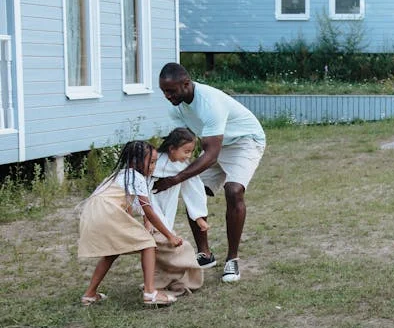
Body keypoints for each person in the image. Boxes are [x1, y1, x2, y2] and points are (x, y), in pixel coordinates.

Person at [155, 62, 266, 283]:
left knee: (234, 191)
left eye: (171, 91)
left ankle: (232, 260)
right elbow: (181, 142)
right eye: (164, 91)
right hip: (215, 145)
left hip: (244, 141)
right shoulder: (175, 106)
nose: (167, 96)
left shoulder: (209, 102)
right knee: (192, 190)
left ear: (186, 84)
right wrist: (154, 165)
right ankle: (204, 254)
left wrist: (176, 178)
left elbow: (211, 154)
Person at [78, 140, 182, 307]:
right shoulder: (136, 177)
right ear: (135, 161)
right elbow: (148, 210)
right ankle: (150, 292)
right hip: (107, 211)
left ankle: (89, 294)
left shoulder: (121, 176)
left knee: (112, 251)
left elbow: (133, 208)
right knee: (148, 244)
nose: (154, 166)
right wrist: (170, 236)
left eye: (156, 162)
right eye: (152, 162)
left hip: (94, 212)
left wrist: (146, 226)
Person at [147, 127, 208, 295]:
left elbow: (193, 188)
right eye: (186, 151)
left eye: (191, 152)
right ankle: (183, 278)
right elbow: (142, 189)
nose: (188, 156)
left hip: (168, 211)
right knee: (170, 246)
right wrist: (147, 218)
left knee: (162, 247)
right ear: (172, 148)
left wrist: (198, 216)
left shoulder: (182, 166)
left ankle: (163, 280)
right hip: (152, 210)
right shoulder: (154, 164)